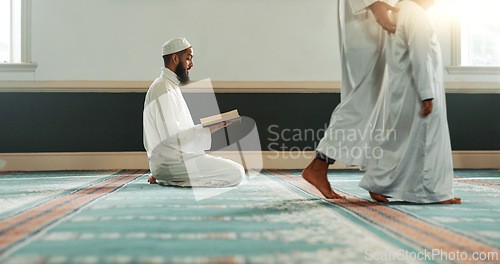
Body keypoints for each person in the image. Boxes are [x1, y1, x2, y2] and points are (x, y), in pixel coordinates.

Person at [359, 0, 461, 204]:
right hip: (418, 89)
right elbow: (421, 55)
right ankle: (431, 193)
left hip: (403, 87)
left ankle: (378, 183)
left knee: (400, 141)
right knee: (426, 140)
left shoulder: (399, 10)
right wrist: (427, 95)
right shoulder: (416, 15)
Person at [302, 1, 398, 199]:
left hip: (372, 19)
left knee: (376, 103)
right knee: (362, 101)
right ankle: (319, 166)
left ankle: (375, 178)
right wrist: (376, 5)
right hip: (366, 18)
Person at [143, 37, 244, 187]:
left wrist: (211, 127)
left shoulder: (170, 86)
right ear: (175, 58)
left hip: (174, 160)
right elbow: (170, 138)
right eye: (188, 59)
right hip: (170, 163)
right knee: (237, 173)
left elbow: (177, 133)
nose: (191, 64)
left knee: (235, 170)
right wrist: (204, 129)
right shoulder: (162, 88)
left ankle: (167, 177)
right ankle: (168, 178)